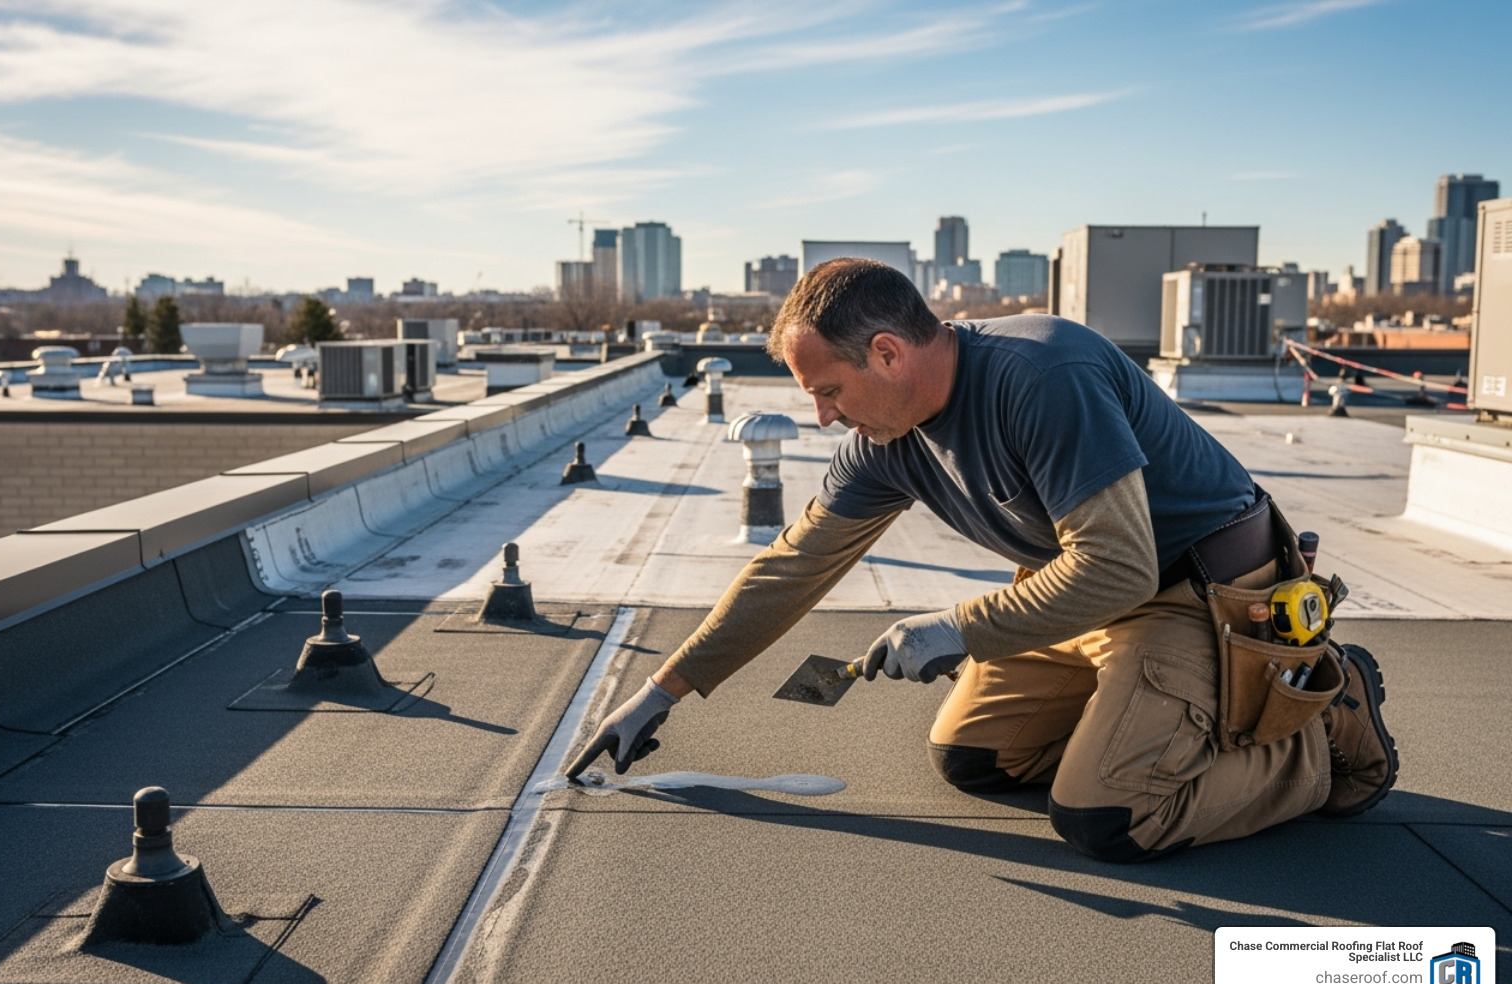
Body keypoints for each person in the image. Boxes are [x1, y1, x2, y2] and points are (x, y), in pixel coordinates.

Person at [566, 258, 1398, 862]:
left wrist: (959, 627)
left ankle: (1319, 731)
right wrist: (660, 691)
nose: (822, 418)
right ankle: (1151, 720)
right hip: (1082, 596)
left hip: (1199, 594)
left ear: (888, 353)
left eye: (827, 391)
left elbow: (1119, 568)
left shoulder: (1043, 374)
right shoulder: (883, 438)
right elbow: (793, 568)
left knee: (1109, 819)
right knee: (973, 759)